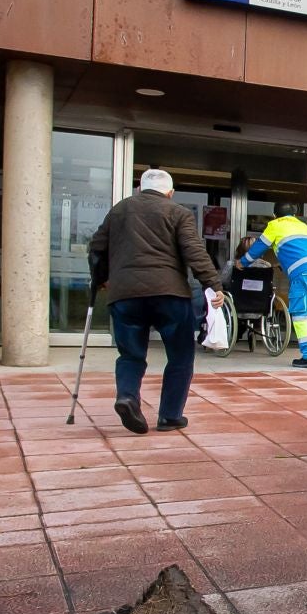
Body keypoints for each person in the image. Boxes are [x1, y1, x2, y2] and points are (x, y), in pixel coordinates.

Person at [87, 168, 226, 433]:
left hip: (125, 294)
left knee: (130, 355)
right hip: (169, 294)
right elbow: (193, 252)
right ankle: (170, 416)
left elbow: (96, 248)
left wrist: (101, 279)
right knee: (180, 356)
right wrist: (213, 284)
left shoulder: (119, 210)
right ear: (170, 193)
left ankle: (127, 397)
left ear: (140, 188)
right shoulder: (178, 212)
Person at [236, 213, 307, 367]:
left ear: (273, 215)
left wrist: (243, 262)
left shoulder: (275, 225)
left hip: (304, 273)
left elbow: (258, 247)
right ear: (294, 214)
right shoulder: (303, 226)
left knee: (299, 315)